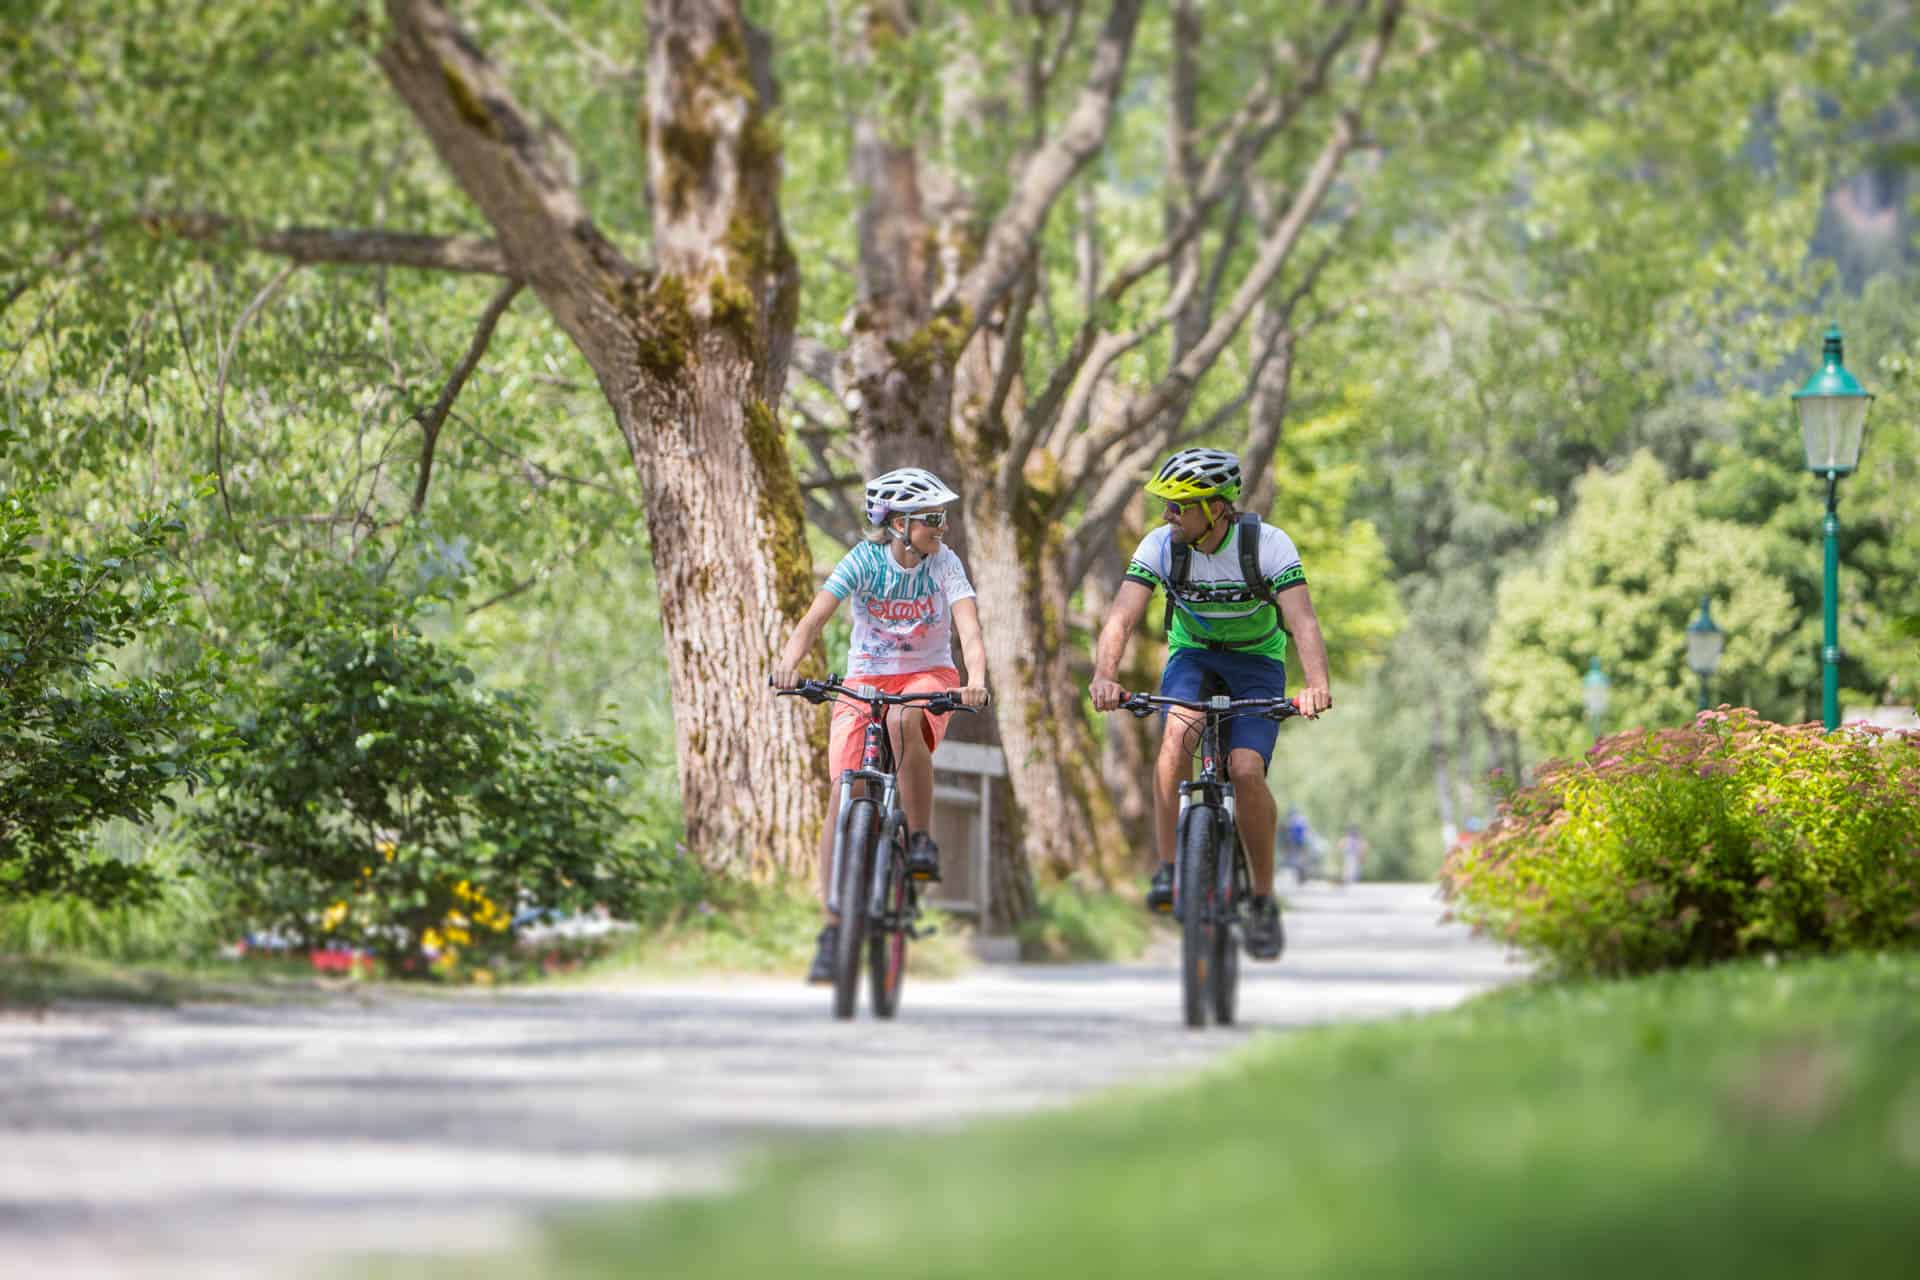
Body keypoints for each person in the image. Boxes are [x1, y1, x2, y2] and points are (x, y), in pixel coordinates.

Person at [1088, 448, 1332, 961]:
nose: (1166, 516)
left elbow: (1303, 622)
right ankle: (1169, 869)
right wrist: (1104, 676)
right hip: (1193, 657)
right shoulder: (1161, 546)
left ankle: (1262, 899)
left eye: (1179, 506)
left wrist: (1315, 684)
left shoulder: (1267, 546)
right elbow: (1122, 617)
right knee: (1176, 735)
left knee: (1244, 769)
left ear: (1216, 507)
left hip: (1257, 663)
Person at [772, 467, 990, 985]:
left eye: (942, 516)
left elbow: (970, 629)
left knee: (904, 716)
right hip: (866, 678)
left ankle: (919, 839)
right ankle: (832, 930)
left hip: (927, 676)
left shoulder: (944, 563)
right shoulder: (864, 560)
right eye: (931, 518)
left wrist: (975, 679)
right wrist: (787, 663)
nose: (942, 526)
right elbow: (812, 621)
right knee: (842, 795)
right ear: (897, 524)